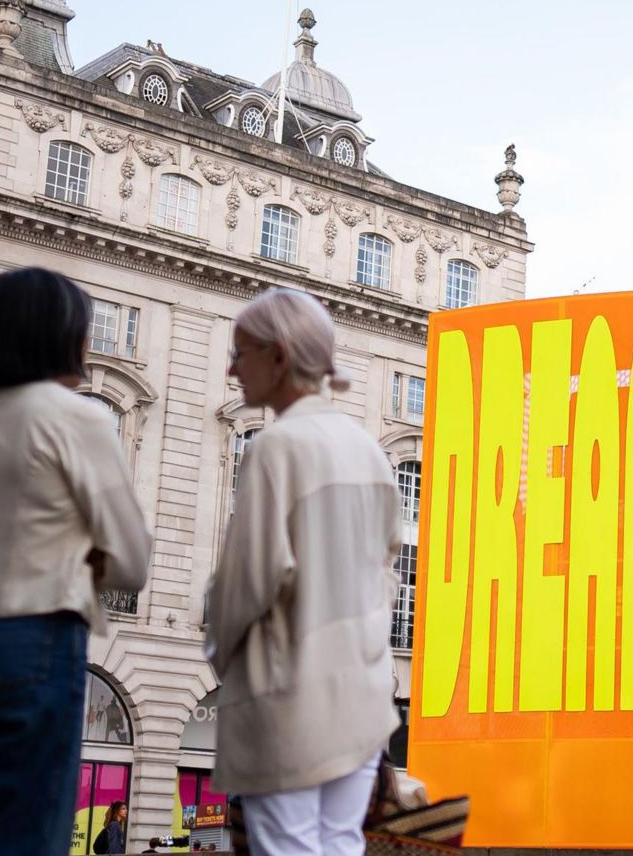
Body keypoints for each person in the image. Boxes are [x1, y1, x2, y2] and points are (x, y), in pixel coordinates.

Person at [0, 268, 153, 856]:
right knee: (20, 830)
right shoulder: (79, 417)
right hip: (34, 640)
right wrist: (76, 552)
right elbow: (132, 560)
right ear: (61, 335)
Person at [207, 288, 400, 856]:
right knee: (341, 844)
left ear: (279, 357)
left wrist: (221, 651)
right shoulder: (368, 449)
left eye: (241, 352)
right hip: (359, 696)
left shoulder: (276, 448)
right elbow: (388, 576)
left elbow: (246, 582)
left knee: (285, 848)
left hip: (286, 692)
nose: (232, 367)